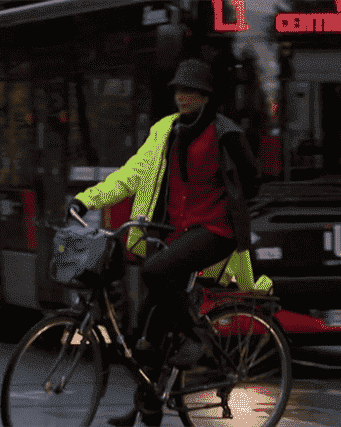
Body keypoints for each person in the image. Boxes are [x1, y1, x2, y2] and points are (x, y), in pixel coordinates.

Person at [67, 59, 261, 426]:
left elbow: (252, 179)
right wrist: (87, 199)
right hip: (175, 233)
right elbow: (129, 175)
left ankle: (196, 336)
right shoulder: (164, 132)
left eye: (190, 91)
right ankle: (147, 407)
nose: (182, 96)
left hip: (216, 231)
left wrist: (229, 200)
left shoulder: (225, 133)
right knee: (147, 333)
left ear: (205, 96)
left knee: (155, 272)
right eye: (178, 90)